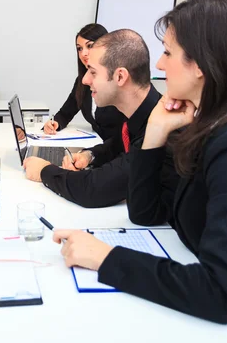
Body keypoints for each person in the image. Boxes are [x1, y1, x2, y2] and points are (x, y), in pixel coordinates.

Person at [53, 0, 227, 338]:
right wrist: (154, 132)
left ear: (200, 64)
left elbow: (221, 292)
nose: (161, 66)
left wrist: (106, 259)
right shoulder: (205, 125)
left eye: (168, 52)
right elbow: (146, 213)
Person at [24, 29, 178, 210]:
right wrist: (90, 155)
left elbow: (93, 189)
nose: (85, 80)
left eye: (93, 72)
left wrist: (44, 171)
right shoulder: (142, 116)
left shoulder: (161, 128)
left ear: (120, 76)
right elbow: (119, 145)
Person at [43, 24, 125, 140]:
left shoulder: (119, 80)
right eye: (79, 48)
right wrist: (54, 123)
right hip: (97, 147)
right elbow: (65, 113)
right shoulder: (83, 81)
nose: (83, 53)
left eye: (90, 46)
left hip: (118, 152)